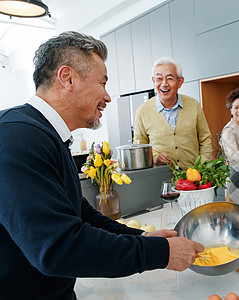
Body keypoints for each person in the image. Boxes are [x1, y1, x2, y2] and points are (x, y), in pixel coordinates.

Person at [0, 32, 203, 299]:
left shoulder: (44, 135)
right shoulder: (17, 136)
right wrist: (158, 254)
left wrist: (140, 238)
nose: (107, 97)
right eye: (103, 83)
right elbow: (57, 248)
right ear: (67, 78)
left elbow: (80, 213)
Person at [133, 57, 213, 170]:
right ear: (153, 81)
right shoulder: (142, 111)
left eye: (169, 78)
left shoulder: (194, 105)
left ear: (180, 82)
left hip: (193, 179)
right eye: (159, 78)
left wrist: (203, 168)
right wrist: (155, 158)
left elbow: (205, 139)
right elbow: (139, 147)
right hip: (160, 180)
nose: (164, 84)